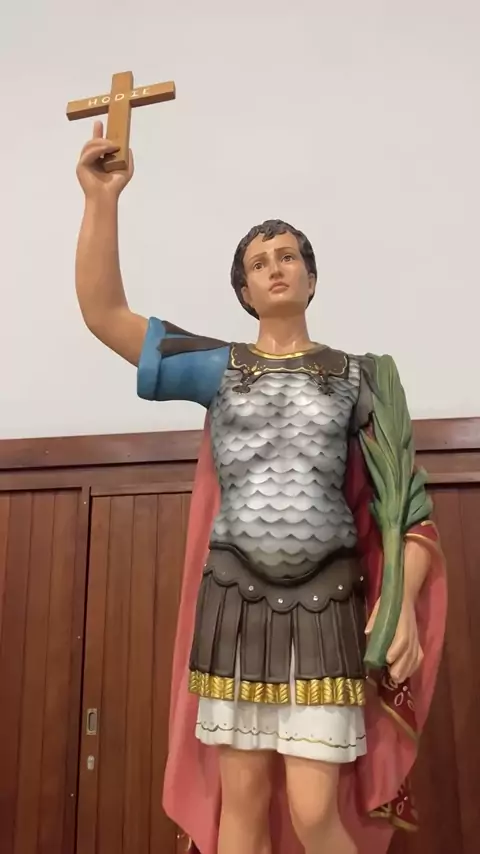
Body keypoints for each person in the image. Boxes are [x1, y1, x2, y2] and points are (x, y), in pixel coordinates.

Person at [75, 122, 447, 854]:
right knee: (239, 811)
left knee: (314, 813)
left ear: (310, 276)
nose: (275, 267)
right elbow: (105, 315)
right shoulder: (219, 367)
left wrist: (401, 601)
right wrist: (101, 198)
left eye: (287, 255)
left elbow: (410, 512)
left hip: (328, 605)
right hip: (233, 603)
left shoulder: (362, 379)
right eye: (258, 261)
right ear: (243, 290)